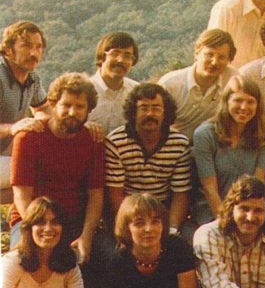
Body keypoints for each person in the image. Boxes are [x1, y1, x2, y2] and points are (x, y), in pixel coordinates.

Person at [10, 72, 104, 262]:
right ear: (53, 105)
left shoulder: (94, 141)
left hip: (73, 222)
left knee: (105, 257)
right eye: (66, 105)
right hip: (31, 219)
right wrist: (40, 229)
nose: (72, 112)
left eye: (79, 107)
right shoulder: (29, 137)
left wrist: (86, 235)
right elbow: (21, 194)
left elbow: (96, 195)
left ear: (88, 111)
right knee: (24, 261)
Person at [105, 83, 191, 233]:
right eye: (144, 108)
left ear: (165, 113)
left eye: (156, 108)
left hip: (163, 210)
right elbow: (115, 194)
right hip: (127, 210)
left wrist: (171, 229)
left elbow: (180, 195)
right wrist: (131, 229)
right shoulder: (116, 142)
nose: (150, 114)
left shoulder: (180, 144)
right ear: (133, 112)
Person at [193, 75, 265, 227]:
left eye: (250, 102)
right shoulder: (205, 134)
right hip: (212, 213)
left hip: (249, 214)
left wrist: (248, 221)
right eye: (238, 100)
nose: (244, 107)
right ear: (226, 101)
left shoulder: (263, 135)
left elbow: (258, 182)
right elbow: (210, 189)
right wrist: (226, 223)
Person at [158, 28, 239, 140]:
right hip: (173, 145)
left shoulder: (233, 80)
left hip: (211, 145)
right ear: (197, 53)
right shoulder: (170, 84)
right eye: (209, 54)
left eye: (221, 57)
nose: (215, 62)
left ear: (229, 60)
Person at [0, 21, 51, 190]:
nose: (33, 53)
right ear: (8, 50)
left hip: (5, 153)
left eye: (38, 47)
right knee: (36, 173)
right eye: (26, 46)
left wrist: (42, 120)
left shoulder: (32, 78)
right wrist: (13, 128)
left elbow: (43, 107)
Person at [88, 32, 140, 134]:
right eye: (115, 54)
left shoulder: (137, 92)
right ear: (102, 56)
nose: (120, 60)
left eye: (127, 56)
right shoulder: (83, 90)